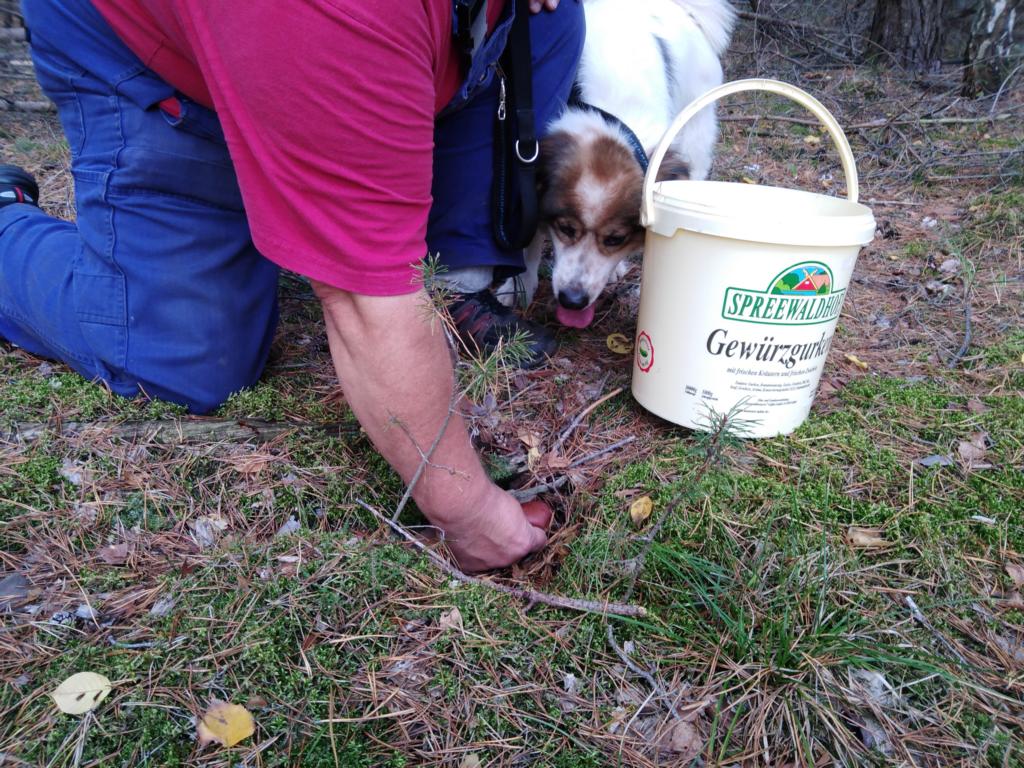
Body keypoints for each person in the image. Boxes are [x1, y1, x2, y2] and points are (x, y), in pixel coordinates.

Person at [0, 0, 584, 571]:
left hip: (345, 41)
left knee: (547, 16)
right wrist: (469, 510)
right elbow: (361, 298)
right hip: (149, 46)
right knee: (188, 356)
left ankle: (445, 266)